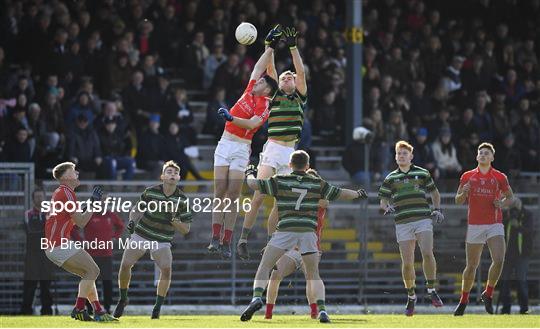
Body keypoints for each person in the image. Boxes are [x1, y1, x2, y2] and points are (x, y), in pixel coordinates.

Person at [240, 150, 367, 323]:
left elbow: (254, 185)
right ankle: (322, 310)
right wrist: (358, 194)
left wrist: (249, 172)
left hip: (285, 230)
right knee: (314, 274)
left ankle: (256, 298)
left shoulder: (281, 181)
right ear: (307, 166)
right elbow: (341, 193)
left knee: (265, 266)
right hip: (308, 232)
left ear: (290, 165)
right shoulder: (316, 183)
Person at [208, 28, 280, 259]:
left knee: (232, 193)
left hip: (240, 148)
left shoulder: (265, 104)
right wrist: (270, 46)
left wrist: (230, 118)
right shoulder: (250, 89)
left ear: (266, 88)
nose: (256, 80)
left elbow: (250, 125)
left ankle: (227, 239)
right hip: (224, 144)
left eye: (260, 82)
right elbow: (260, 67)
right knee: (219, 191)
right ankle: (214, 238)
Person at [237, 25, 308, 260]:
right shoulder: (274, 95)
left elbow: (300, 70)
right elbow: (270, 69)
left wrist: (293, 47)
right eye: (284, 76)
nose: (287, 77)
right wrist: (272, 48)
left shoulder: (300, 96)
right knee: (258, 195)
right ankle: (243, 238)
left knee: (281, 202)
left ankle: (270, 243)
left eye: (291, 77)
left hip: (291, 152)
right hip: (275, 148)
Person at [113, 161, 192, 319]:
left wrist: (174, 220)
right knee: (125, 265)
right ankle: (123, 298)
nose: (172, 175)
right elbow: (136, 210)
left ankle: (157, 308)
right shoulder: (150, 192)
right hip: (142, 234)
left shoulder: (182, 199)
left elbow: (186, 230)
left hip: (161, 240)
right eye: (169, 172)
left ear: (179, 178)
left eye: (175, 173)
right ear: (162, 176)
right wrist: (132, 221)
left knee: (166, 269)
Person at [378, 141, 444, 316]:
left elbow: (435, 193)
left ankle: (431, 290)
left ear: (411, 156)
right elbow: (383, 200)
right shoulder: (390, 177)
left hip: (422, 219)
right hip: (402, 222)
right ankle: (411, 296)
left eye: (404, 154)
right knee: (407, 262)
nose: (401, 156)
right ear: (395, 157)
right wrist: (386, 207)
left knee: (428, 253)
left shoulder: (422, 173)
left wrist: (437, 209)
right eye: (398, 154)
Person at [43, 162, 116, 322]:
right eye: (73, 171)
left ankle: (98, 311)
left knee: (87, 273)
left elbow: (74, 222)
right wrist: (93, 203)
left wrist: (89, 205)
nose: (77, 173)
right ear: (65, 177)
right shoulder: (66, 193)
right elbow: (82, 222)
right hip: (59, 244)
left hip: (54, 247)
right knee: (93, 271)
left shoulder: (61, 193)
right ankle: (79, 308)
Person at [454, 142, 515, 316]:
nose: (483, 155)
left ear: (492, 158)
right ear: (476, 157)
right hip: (475, 224)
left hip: (494, 223)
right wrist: (463, 193)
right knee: (472, 265)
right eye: (480, 152)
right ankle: (463, 300)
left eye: (486, 153)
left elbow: (510, 197)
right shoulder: (467, 176)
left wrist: (501, 203)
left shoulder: (499, 177)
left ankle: (488, 293)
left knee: (499, 259)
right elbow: (457, 200)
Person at [265, 169, 328, 320]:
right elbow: (275, 214)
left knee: (311, 277)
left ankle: (316, 312)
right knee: (275, 275)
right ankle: (268, 313)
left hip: (311, 247)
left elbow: (325, 202)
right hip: (291, 249)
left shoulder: (320, 199)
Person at [71, 193, 125, 314]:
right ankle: (88, 308)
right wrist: (81, 242)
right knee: (90, 281)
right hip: (91, 255)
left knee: (107, 282)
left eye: (105, 201)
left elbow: (120, 226)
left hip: (106, 254)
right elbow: (73, 228)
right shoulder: (88, 215)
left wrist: (115, 237)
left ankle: (107, 307)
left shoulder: (110, 215)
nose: (102, 203)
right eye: (100, 201)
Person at [20, 189, 55, 315]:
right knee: (30, 286)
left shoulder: (50, 214)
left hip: (47, 255)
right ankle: (26, 313)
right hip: (32, 256)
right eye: (37, 197)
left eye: (41, 196)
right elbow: (31, 230)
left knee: (46, 286)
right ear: (33, 199)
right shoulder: (28, 214)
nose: (39, 199)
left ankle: (47, 312)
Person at [499, 198, 533, 314]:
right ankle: (505, 308)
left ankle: (524, 308)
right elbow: (500, 230)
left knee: (521, 280)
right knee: (504, 281)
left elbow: (529, 231)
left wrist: (518, 225)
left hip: (522, 255)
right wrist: (508, 218)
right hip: (507, 254)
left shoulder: (527, 215)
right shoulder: (506, 214)